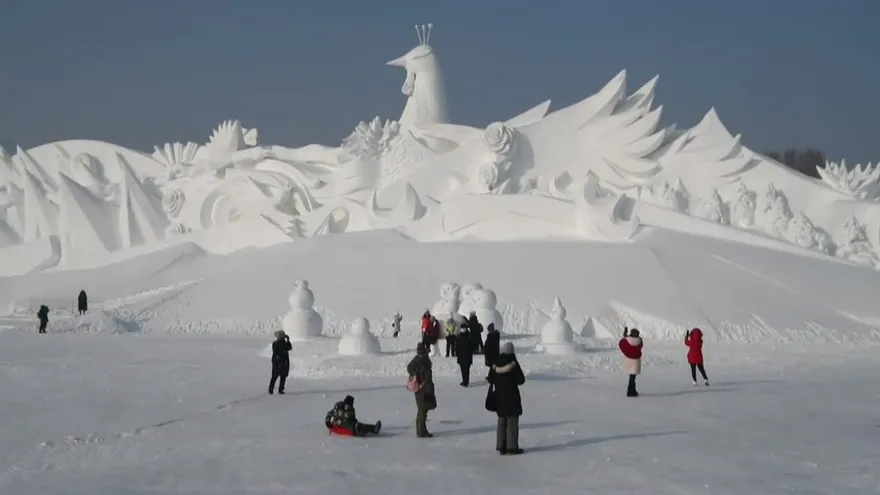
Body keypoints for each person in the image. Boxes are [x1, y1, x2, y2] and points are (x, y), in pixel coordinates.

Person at [488, 342, 526, 455]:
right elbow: (521, 380)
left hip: (499, 396)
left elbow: (490, 379)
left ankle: (501, 446)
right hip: (512, 396)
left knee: (501, 421)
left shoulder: (495, 364)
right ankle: (512, 447)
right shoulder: (514, 364)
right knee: (512, 421)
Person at [406, 342, 436, 438]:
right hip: (423, 389)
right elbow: (410, 368)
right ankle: (421, 432)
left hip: (423, 388)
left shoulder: (420, 359)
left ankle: (422, 430)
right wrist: (416, 376)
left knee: (423, 410)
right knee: (422, 411)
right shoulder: (420, 360)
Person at [619, 326, 643, 397]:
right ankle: (631, 391)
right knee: (633, 377)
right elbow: (640, 344)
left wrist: (625, 334)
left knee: (631, 377)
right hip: (636, 361)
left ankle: (631, 391)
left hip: (629, 360)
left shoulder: (627, 340)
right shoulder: (640, 341)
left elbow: (622, 342)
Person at [269, 330, 292, 395]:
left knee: (278, 376)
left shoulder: (276, 343)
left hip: (278, 362)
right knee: (279, 376)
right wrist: (288, 340)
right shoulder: (280, 343)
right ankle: (277, 389)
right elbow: (288, 347)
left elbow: (288, 347)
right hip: (280, 362)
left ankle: (273, 389)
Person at [456, 322, 474, 387]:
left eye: (464, 328)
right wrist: (457, 354)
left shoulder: (469, 336)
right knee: (463, 370)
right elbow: (456, 347)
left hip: (467, 356)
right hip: (461, 356)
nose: (463, 329)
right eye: (462, 328)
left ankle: (466, 382)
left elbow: (472, 346)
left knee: (466, 370)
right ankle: (464, 381)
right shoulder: (458, 336)